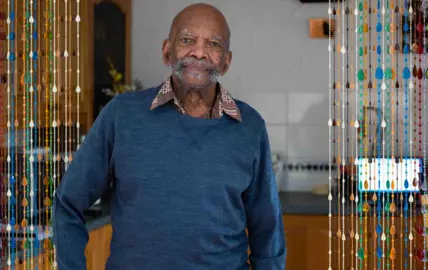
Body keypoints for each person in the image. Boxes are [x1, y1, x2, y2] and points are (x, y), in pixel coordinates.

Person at [53, 3, 286, 269]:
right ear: (167, 51)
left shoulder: (250, 126)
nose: (199, 52)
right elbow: (68, 202)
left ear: (226, 61)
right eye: (187, 40)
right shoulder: (122, 115)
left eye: (214, 44)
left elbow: (268, 232)